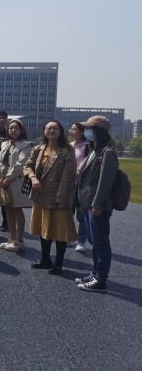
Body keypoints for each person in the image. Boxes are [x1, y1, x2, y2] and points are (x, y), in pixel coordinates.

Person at [24, 120, 77, 275]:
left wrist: (61, 199)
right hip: (41, 195)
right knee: (43, 228)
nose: (52, 131)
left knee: (60, 231)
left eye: (55, 128)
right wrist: (33, 178)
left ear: (60, 131)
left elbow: (68, 178)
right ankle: (45, 259)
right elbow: (27, 166)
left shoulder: (67, 151)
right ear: (44, 131)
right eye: (49, 128)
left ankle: (58, 263)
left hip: (58, 196)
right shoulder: (39, 148)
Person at [75, 115, 118, 293]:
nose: (86, 131)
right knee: (94, 241)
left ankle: (101, 279)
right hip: (88, 204)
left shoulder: (107, 152)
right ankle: (95, 272)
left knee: (100, 242)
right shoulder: (94, 149)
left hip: (97, 206)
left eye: (89, 129)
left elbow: (105, 182)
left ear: (99, 131)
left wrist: (97, 204)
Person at [0, 119, 32, 252]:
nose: (13, 130)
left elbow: (20, 164)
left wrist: (8, 178)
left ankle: (19, 240)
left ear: (21, 130)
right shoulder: (5, 144)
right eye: (11, 128)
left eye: (16, 128)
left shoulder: (26, 145)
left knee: (17, 209)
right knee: (7, 208)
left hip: (16, 181)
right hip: (3, 181)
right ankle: (11, 238)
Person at [69, 122, 91, 252]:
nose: (71, 131)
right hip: (68, 184)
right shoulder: (69, 145)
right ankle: (67, 237)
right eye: (71, 129)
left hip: (81, 185)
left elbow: (85, 163)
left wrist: (74, 172)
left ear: (82, 132)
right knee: (67, 212)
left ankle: (81, 241)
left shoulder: (88, 146)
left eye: (74, 129)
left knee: (81, 215)